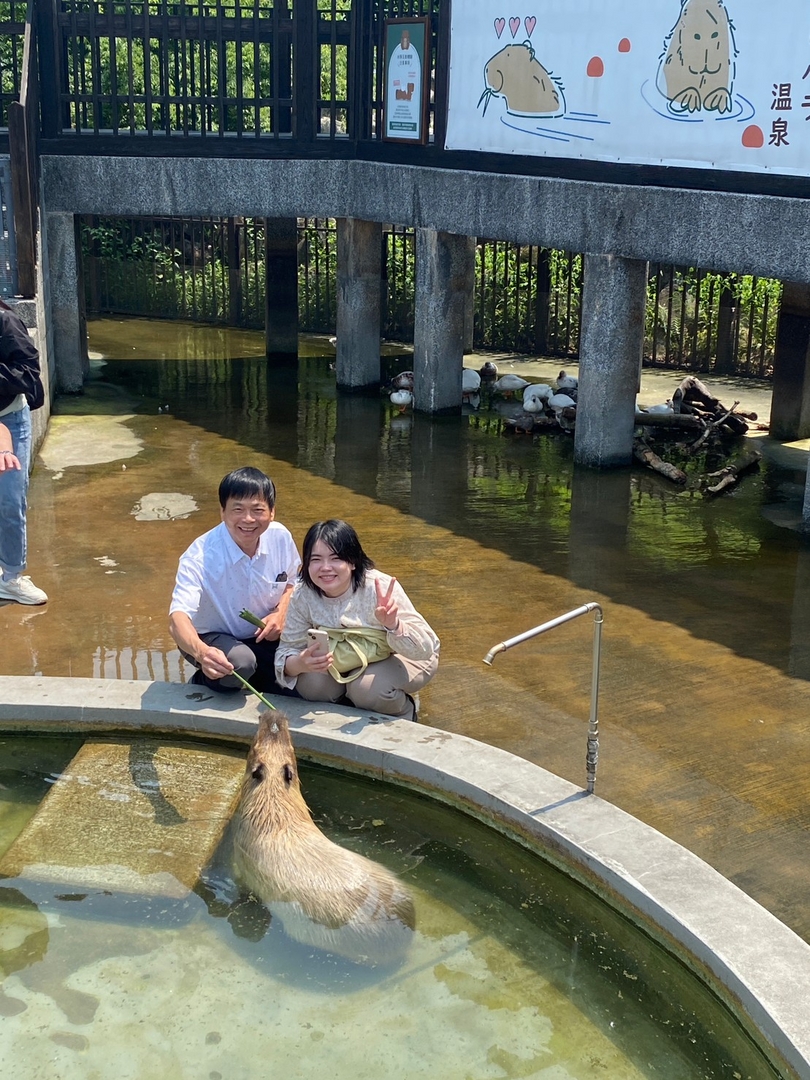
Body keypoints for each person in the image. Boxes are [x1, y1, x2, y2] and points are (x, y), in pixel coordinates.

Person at [275, 520, 439, 720]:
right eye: (316, 559)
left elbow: (425, 649)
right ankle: (348, 707)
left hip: (401, 654)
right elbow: (286, 650)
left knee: (366, 689)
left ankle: (404, 711)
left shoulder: (379, 588)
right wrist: (300, 663)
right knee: (311, 684)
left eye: (335, 558)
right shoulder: (303, 595)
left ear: (353, 561)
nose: (325, 568)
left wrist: (394, 625)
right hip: (345, 659)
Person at [169, 467, 300, 694]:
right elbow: (177, 619)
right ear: (222, 512)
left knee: (304, 665)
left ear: (272, 512)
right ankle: (203, 679)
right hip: (213, 637)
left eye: (257, 510)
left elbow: (294, 580)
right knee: (241, 663)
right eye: (237, 509)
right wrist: (201, 652)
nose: (248, 519)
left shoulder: (280, 537)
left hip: (262, 635)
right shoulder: (200, 556)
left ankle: (258, 676)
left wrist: (281, 612)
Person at [0, 300, 47, 605]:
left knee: (10, 500)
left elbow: (29, 372)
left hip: (9, 418)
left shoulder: (6, 323)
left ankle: (12, 577)